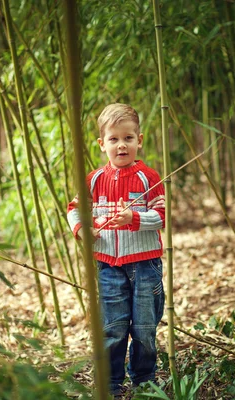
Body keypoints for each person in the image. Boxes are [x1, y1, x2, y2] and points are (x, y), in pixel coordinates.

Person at [67, 103, 165, 395]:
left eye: (128, 138)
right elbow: (74, 209)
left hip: (145, 265)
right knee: (113, 326)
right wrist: (83, 229)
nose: (121, 145)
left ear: (140, 140)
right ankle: (110, 383)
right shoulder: (94, 180)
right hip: (109, 264)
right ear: (102, 144)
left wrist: (134, 218)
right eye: (114, 139)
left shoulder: (149, 178)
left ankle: (144, 379)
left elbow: (162, 217)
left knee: (145, 328)